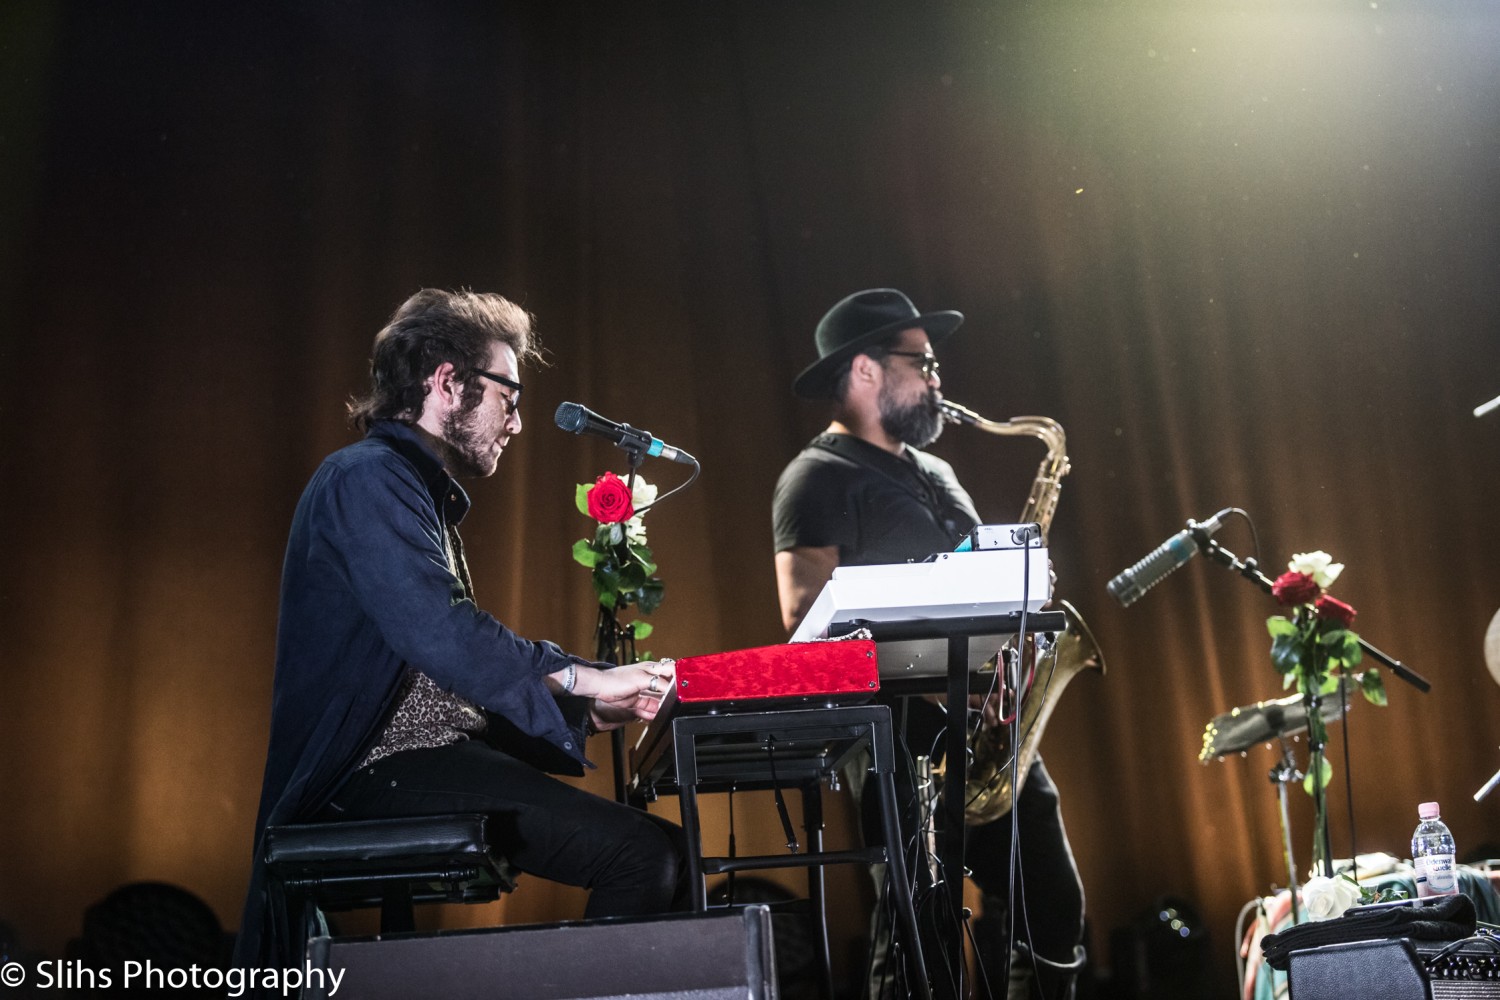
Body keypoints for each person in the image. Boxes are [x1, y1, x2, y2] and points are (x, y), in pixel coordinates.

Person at [235, 289, 686, 970]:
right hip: (370, 774)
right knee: (647, 856)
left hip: (414, 764)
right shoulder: (365, 478)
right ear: (448, 383)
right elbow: (442, 632)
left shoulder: (405, 488)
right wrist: (581, 673)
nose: (518, 422)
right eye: (511, 396)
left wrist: (587, 706)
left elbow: (442, 678)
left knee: (663, 857)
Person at [772, 289, 1086, 1000]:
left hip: (985, 723)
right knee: (922, 924)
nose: (939, 380)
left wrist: (1020, 586)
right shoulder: (815, 476)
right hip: (899, 724)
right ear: (865, 371)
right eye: (925, 362)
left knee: (1053, 903)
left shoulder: (936, 472)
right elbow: (801, 616)